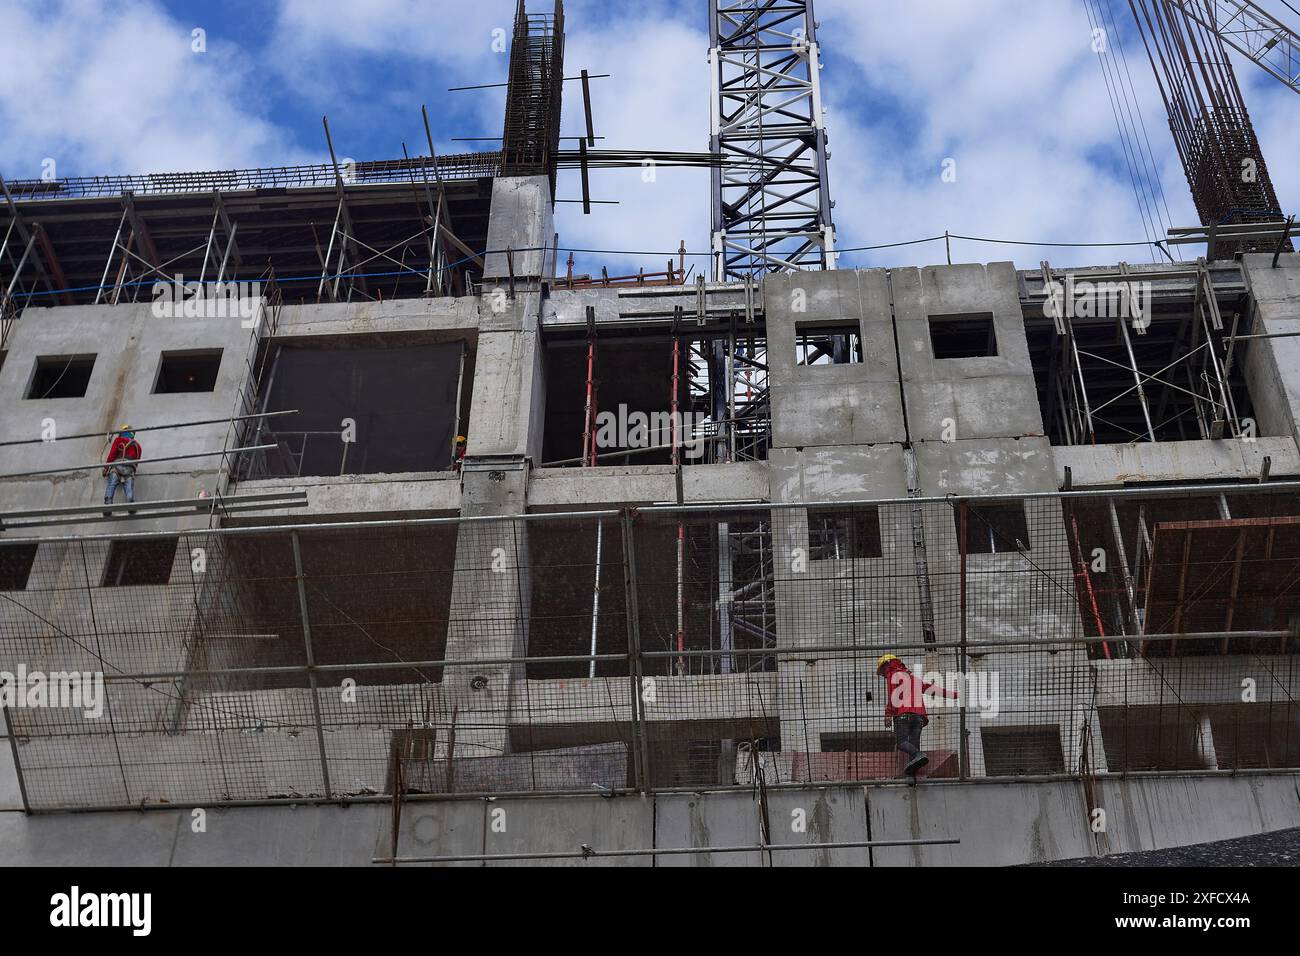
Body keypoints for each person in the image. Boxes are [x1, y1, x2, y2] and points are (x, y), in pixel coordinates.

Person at [877, 653, 958, 778]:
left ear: (886, 665)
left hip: (903, 715)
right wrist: (955, 695)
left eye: (882, 670)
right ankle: (913, 773)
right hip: (919, 717)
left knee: (902, 742)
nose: (883, 674)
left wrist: (888, 714)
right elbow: (932, 689)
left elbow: (893, 695)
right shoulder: (912, 678)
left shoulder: (892, 674)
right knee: (914, 747)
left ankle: (918, 757)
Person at [102, 425, 142, 513]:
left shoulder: (119, 440)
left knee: (111, 484)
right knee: (128, 487)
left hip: (117, 465)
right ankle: (130, 504)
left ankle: (108, 505)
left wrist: (106, 468)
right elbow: (136, 462)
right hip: (130, 468)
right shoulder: (137, 446)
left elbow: (112, 454)